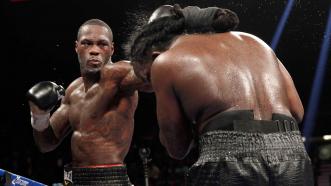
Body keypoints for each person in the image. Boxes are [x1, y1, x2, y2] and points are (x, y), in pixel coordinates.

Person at [125, 4, 314, 186]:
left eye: (148, 78)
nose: (152, 85)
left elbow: (177, 148)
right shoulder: (257, 42)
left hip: (228, 158)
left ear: (154, 54)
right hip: (294, 156)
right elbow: (297, 112)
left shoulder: (165, 61)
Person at [27, 19, 148, 185]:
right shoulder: (72, 91)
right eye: (87, 43)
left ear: (112, 49)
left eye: (102, 44)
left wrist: (163, 38)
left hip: (111, 180)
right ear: (76, 47)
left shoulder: (120, 75)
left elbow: (151, 76)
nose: (94, 51)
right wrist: (39, 115)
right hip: (74, 180)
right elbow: (46, 143)